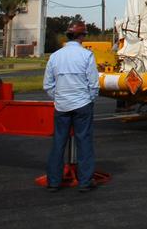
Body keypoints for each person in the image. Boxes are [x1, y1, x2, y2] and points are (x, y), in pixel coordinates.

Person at [43, 21, 99, 192]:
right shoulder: (86, 56)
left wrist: (59, 98)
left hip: (62, 106)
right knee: (84, 142)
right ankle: (85, 181)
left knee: (59, 142)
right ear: (82, 36)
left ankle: (53, 181)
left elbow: (48, 84)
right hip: (82, 104)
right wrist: (89, 99)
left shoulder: (55, 56)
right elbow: (94, 84)